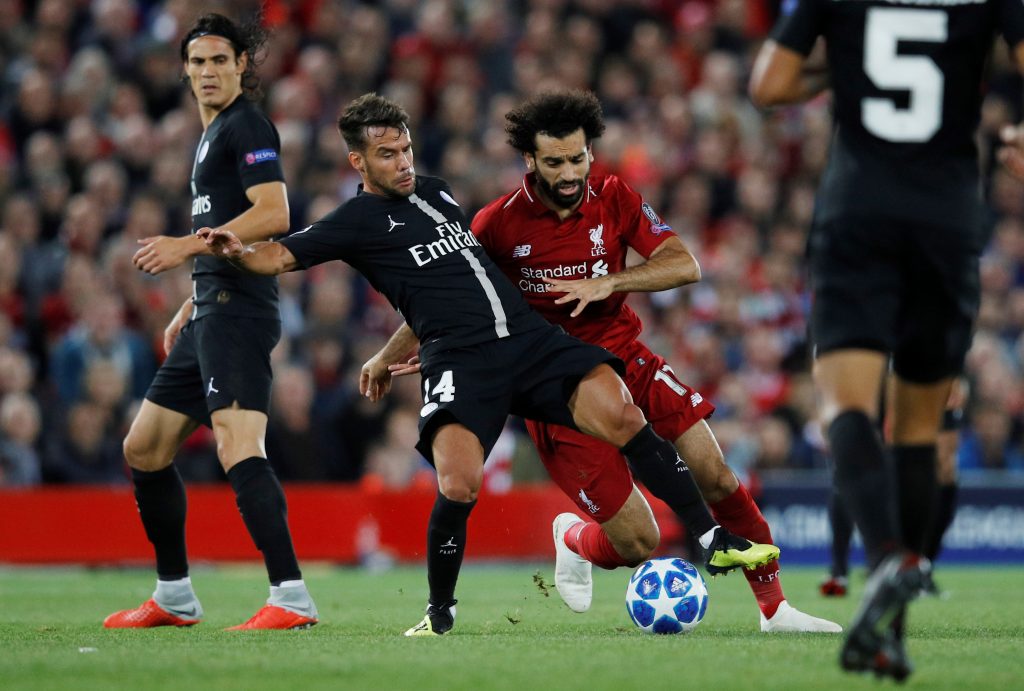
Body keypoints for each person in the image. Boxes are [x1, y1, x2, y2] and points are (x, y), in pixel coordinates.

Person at [201, 92, 780, 637]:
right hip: (459, 360)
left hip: (525, 340)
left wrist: (387, 351)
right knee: (460, 483)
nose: (402, 162)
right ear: (358, 160)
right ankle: (439, 612)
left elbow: (458, 280)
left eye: (405, 148)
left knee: (623, 414)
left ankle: (707, 537)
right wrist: (233, 249)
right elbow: (280, 253)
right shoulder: (354, 222)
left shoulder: (438, 192)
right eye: (387, 154)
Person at [466, 90, 838, 633]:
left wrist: (612, 281)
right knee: (639, 541)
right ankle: (573, 538)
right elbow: (451, 292)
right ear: (530, 161)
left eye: (578, 157)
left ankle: (776, 609)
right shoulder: (497, 223)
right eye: (555, 162)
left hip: (627, 358)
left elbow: (684, 265)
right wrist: (399, 352)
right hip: (556, 389)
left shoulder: (615, 196)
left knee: (715, 474)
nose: (570, 172)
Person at [750, 2, 1024, 679]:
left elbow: (769, 85)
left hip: (860, 211)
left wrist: (843, 66)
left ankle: (887, 557)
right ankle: (890, 628)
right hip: (950, 216)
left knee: (843, 404)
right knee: (921, 425)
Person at [103, 13, 318, 631]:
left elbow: (273, 211)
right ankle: (173, 595)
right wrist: (191, 300)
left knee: (237, 446)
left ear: (241, 65)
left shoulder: (247, 123)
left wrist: (184, 245)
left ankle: (291, 596)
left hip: (241, 315)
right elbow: (230, 231)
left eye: (219, 61)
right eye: (196, 63)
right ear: (184, 70)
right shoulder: (213, 134)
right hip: (210, 313)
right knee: (143, 449)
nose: (207, 73)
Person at [822, 381, 965, 597]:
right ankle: (839, 571)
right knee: (851, 456)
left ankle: (921, 565)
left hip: (923, 366)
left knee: (945, 468)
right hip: (874, 367)